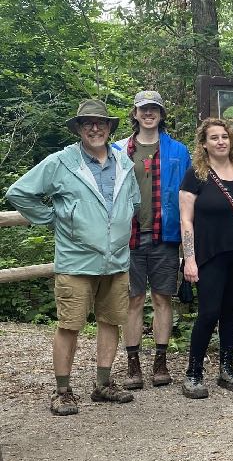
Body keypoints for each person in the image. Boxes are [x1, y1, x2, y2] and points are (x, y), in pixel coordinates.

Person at [6, 99, 140, 415]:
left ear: (109, 128)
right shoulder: (61, 162)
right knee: (70, 325)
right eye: (87, 123)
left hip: (117, 259)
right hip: (76, 260)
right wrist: (54, 218)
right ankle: (63, 391)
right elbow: (19, 192)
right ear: (79, 129)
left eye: (101, 123)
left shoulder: (124, 163)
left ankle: (103, 384)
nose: (95, 128)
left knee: (111, 321)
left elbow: (133, 203)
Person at [179, 118, 233, 399]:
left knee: (231, 313)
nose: (220, 141)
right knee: (208, 313)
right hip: (209, 255)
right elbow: (186, 220)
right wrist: (189, 259)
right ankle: (193, 373)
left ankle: (227, 368)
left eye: (225, 136)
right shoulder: (196, 175)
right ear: (204, 144)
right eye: (214, 137)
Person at [114, 91, 191, 391]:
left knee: (162, 299)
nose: (149, 114)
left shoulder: (178, 151)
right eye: (143, 109)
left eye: (154, 109)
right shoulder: (119, 150)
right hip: (128, 237)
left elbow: (187, 199)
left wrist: (188, 244)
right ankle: (133, 364)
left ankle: (160, 361)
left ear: (161, 114)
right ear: (135, 113)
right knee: (132, 300)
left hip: (165, 236)